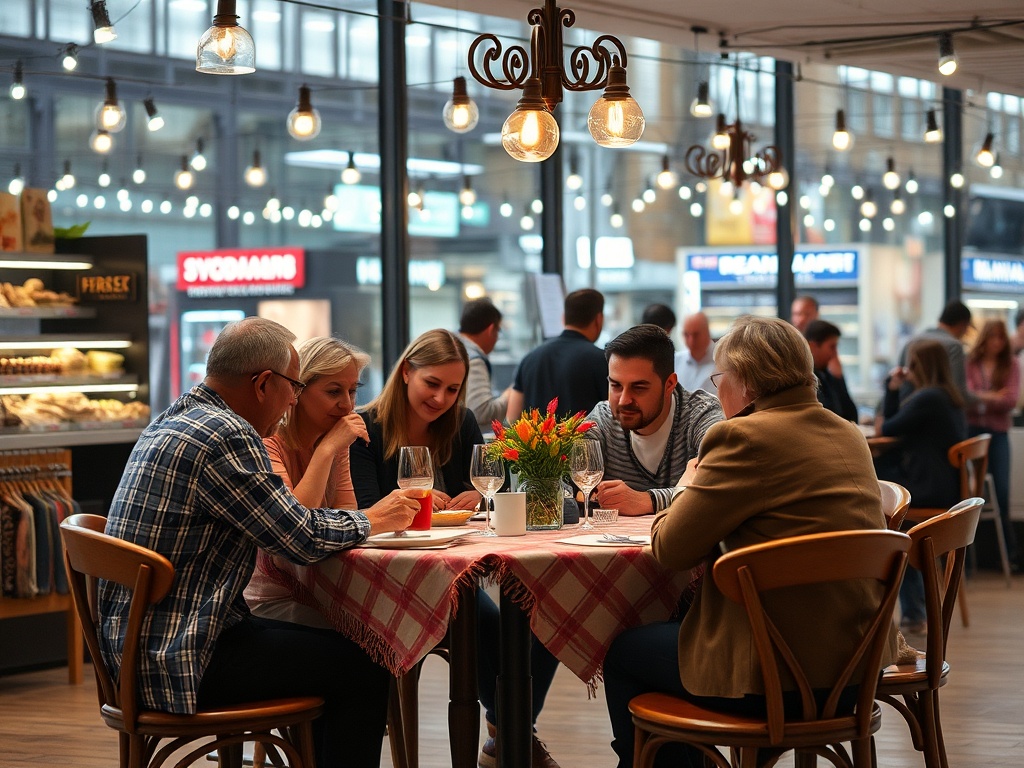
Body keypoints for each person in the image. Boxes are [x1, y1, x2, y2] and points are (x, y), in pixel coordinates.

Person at [98, 317, 420, 768]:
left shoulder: (176, 415)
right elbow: (298, 539)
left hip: (139, 648)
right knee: (365, 664)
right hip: (183, 656)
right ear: (264, 383)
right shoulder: (228, 434)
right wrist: (373, 519)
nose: (293, 397)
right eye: (293, 385)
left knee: (345, 652)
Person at [602, 316, 896, 768]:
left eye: (721, 379)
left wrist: (685, 484)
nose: (718, 391)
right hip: (857, 669)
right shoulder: (847, 432)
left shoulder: (742, 436)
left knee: (624, 652)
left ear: (746, 383)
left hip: (779, 680)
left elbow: (671, 550)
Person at [348, 329, 561, 768]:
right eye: (433, 384)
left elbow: (481, 486)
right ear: (406, 371)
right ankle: (511, 738)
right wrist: (416, 506)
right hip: (394, 580)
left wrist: (474, 498)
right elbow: (367, 512)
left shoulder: (460, 423)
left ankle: (507, 734)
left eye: (453, 388)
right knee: (490, 628)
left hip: (456, 573)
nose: (442, 398)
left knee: (545, 618)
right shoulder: (365, 428)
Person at [244, 336, 372, 626]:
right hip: (270, 599)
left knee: (378, 629)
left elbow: (347, 513)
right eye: (333, 391)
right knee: (361, 635)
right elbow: (296, 526)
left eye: (352, 391)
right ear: (298, 391)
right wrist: (327, 450)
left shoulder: (334, 439)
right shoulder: (268, 440)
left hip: (320, 589)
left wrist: (331, 448)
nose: (347, 405)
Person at [876, 338, 967, 631]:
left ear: (918, 366)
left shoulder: (928, 399)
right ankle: (912, 609)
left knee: (890, 516)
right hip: (943, 483)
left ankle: (911, 610)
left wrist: (892, 388)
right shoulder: (946, 396)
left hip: (928, 486)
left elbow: (887, 427)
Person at [587, 324, 722, 516]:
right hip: (610, 545)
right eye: (616, 385)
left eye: (639, 387)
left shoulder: (701, 414)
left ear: (669, 384)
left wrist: (647, 500)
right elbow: (562, 482)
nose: (624, 400)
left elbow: (718, 479)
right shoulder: (602, 419)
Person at [966, 319, 1021, 570]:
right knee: (969, 491)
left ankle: (1006, 555)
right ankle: (968, 555)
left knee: (1001, 491)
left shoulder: (1011, 364)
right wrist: (990, 397)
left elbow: (1009, 400)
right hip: (972, 431)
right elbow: (965, 397)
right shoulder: (969, 363)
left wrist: (980, 399)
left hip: (997, 434)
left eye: (1001, 337)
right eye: (993, 337)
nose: (997, 342)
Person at [506, 288, 608, 421]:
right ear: (599, 319)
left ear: (563, 318)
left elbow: (511, 419)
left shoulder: (529, 359)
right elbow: (613, 416)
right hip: (586, 442)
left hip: (535, 442)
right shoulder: (602, 360)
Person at [897, 299, 973, 404]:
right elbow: (957, 392)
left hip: (908, 408)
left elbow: (899, 380)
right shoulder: (954, 346)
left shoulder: (912, 341)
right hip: (938, 411)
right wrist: (988, 398)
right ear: (963, 324)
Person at [458, 297, 512, 434]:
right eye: (498, 331)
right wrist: (509, 395)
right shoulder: (473, 359)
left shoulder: (454, 347)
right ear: (491, 329)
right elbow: (481, 413)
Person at [805, 319, 858, 421]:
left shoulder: (825, 375)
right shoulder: (807, 380)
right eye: (832, 347)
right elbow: (831, 415)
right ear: (812, 347)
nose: (835, 354)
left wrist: (839, 379)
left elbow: (851, 416)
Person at [673, 311, 716, 393]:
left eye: (696, 335)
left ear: (707, 332)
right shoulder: (675, 361)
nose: (691, 341)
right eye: (686, 335)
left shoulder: (723, 362)